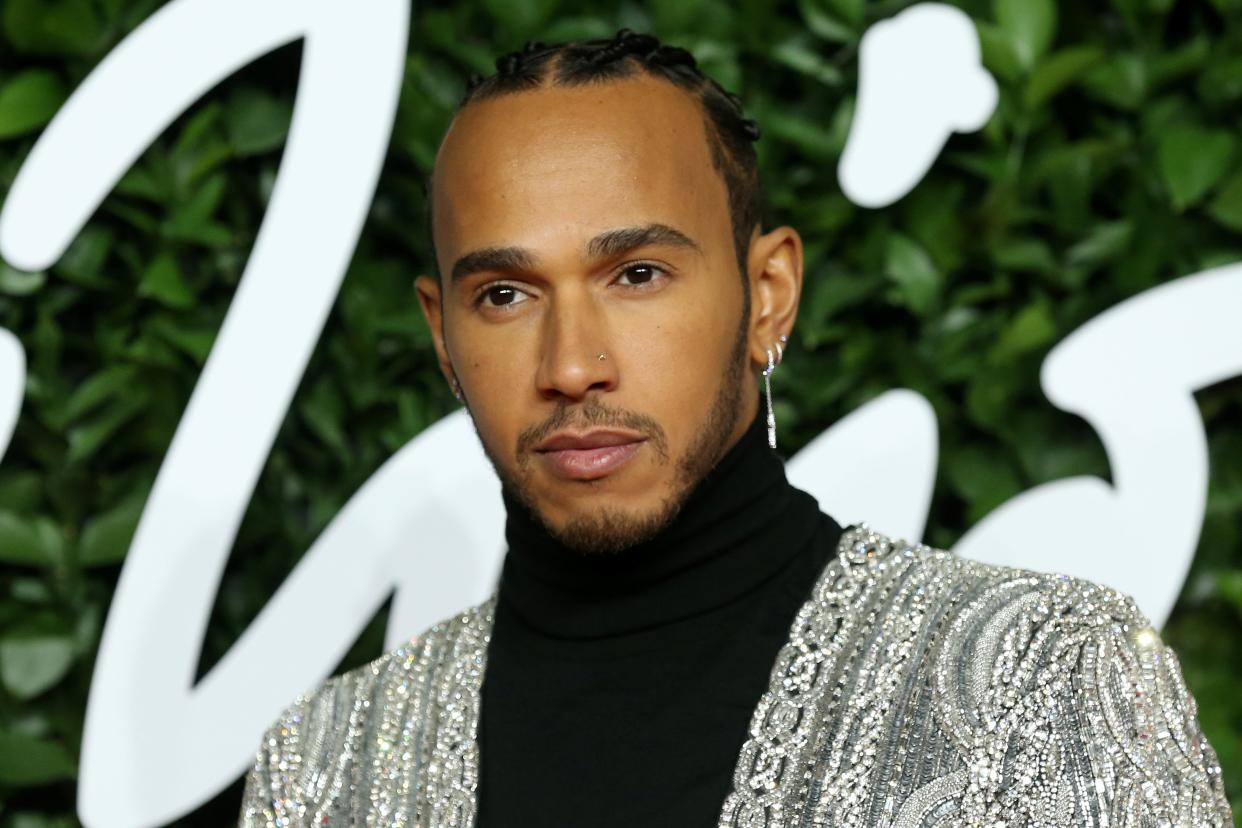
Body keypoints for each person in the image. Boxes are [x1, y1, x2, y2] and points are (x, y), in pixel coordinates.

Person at [238, 29, 1233, 827]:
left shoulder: (1033, 680)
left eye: (636, 275)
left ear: (768, 294)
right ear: (443, 335)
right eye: (504, 293)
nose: (572, 365)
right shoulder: (329, 767)